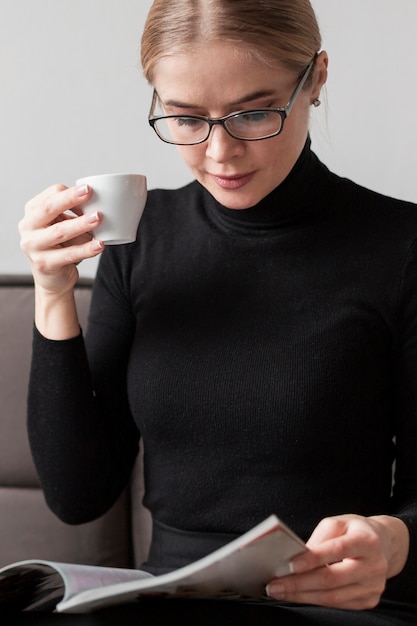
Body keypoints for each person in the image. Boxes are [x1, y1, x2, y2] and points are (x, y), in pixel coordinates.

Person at [18, 1, 417, 624]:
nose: (220, 152)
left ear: (315, 79)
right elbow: (77, 495)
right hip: (161, 601)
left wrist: (393, 544)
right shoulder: (142, 240)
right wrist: (52, 293)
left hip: (335, 604)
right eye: (184, 118)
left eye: (254, 112)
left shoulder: (402, 246)